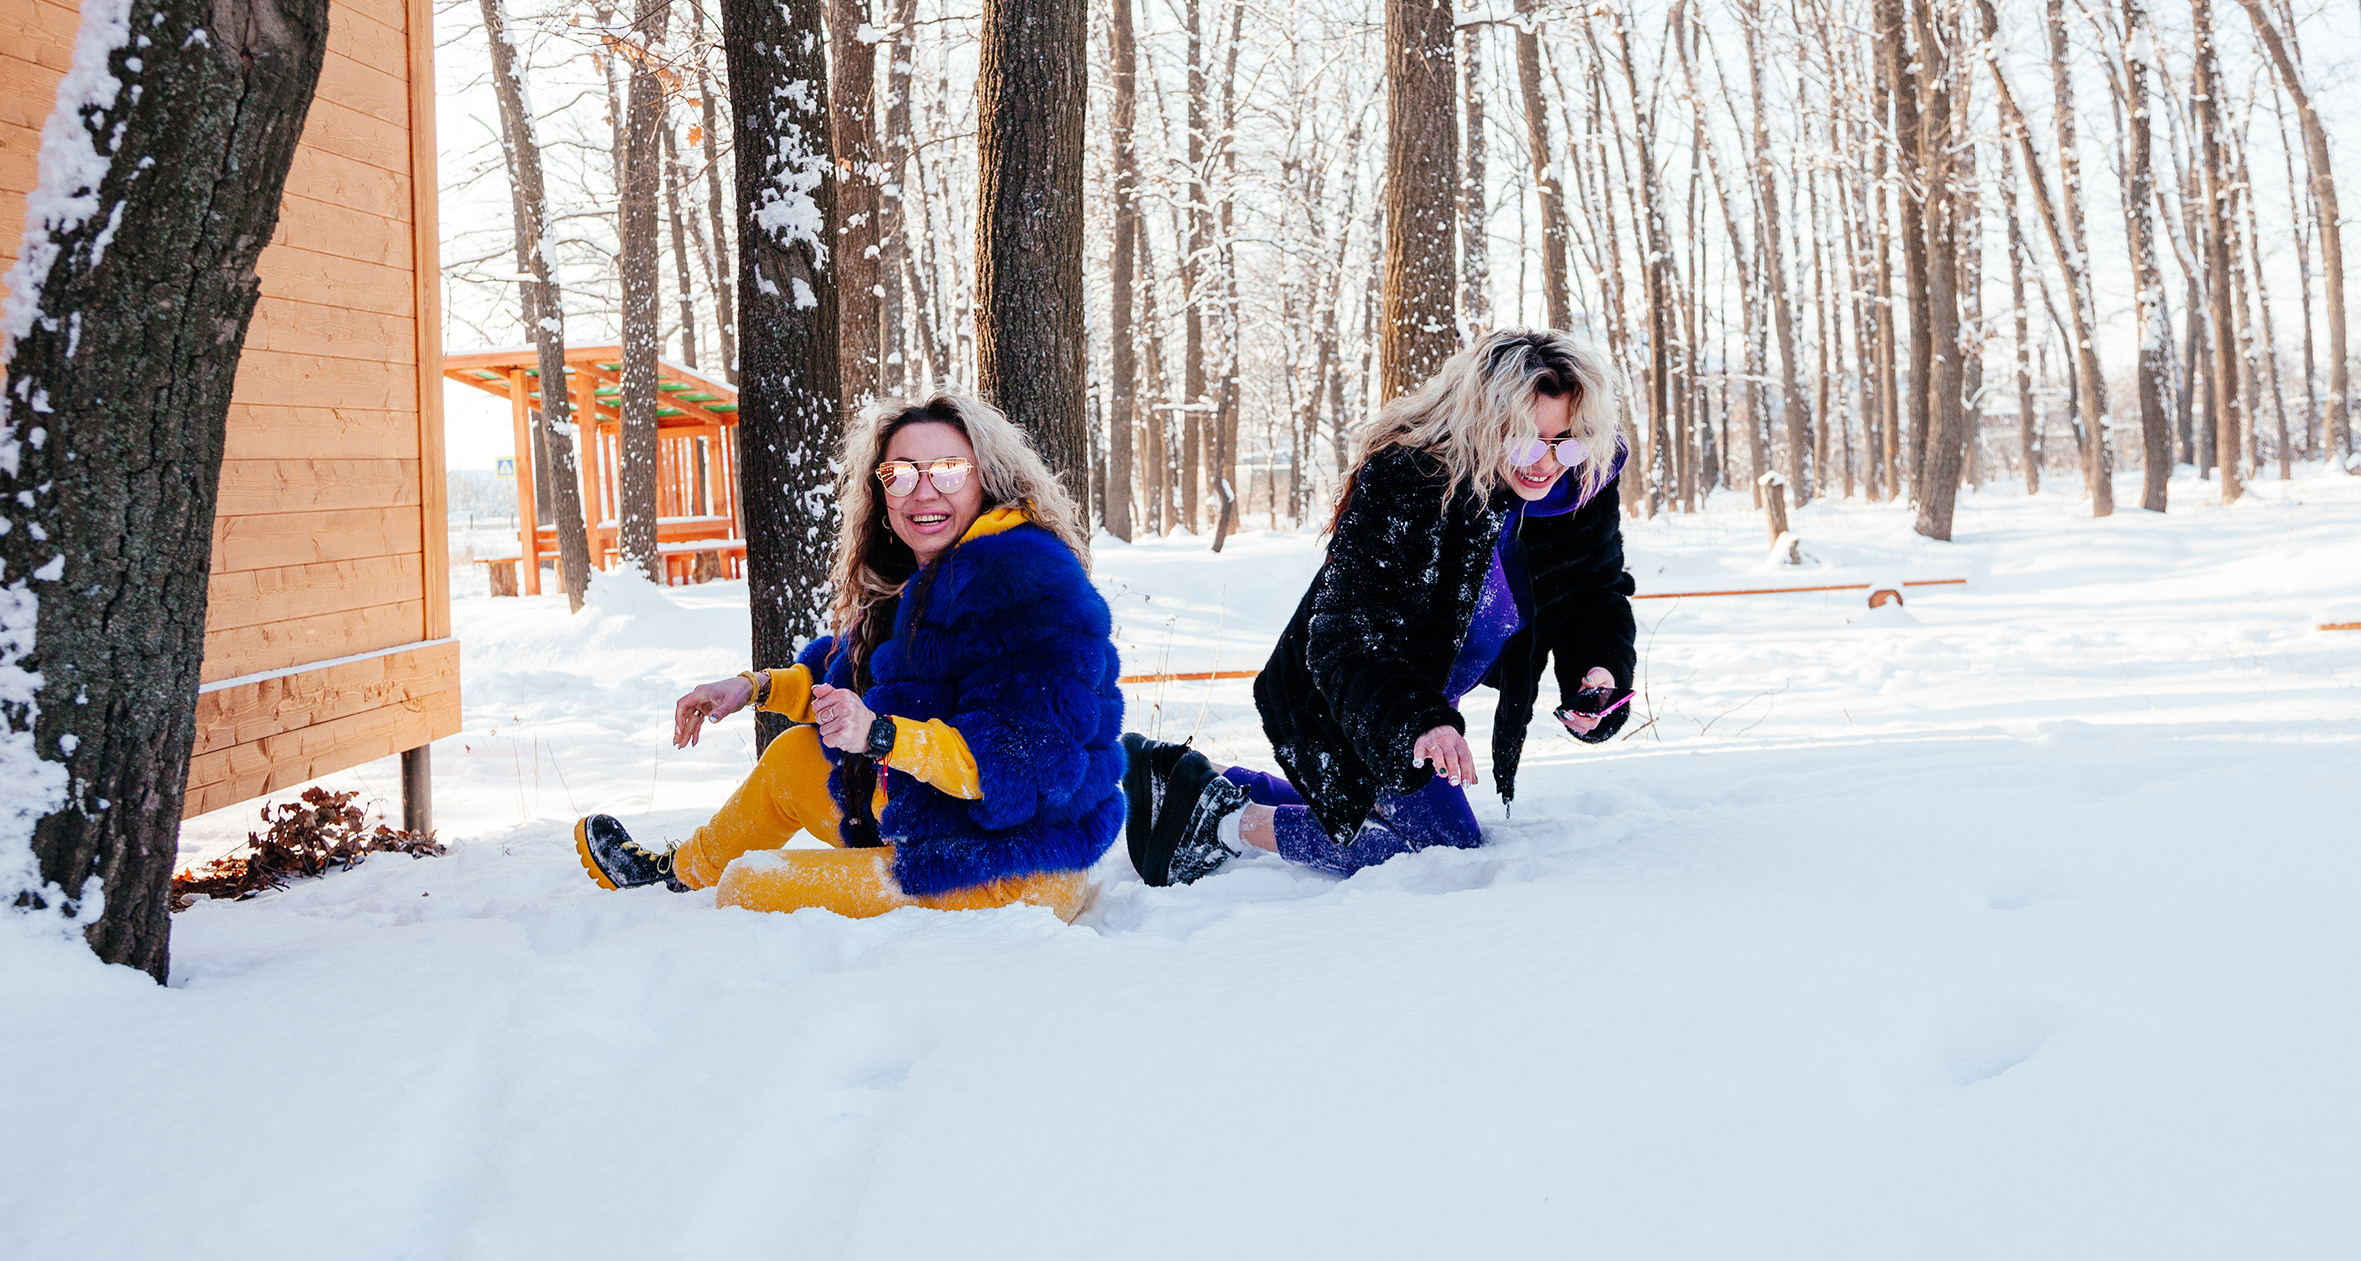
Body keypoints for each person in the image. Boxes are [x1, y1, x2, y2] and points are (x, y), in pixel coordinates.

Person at [575, 394, 1125, 922]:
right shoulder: (921, 576)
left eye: (949, 470)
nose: (924, 492)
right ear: (881, 492)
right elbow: (854, 675)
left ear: (987, 479)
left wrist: (880, 736)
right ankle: (677, 877)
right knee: (793, 758)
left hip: (1013, 865)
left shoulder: (1026, 582)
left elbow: (1025, 760)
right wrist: (756, 688)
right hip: (940, 819)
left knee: (748, 887)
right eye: (902, 474)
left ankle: (719, 889)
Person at [1125, 329, 1636, 885]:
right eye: (1527, 442)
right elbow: (1345, 635)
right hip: (1357, 691)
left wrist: (1600, 671)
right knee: (1444, 853)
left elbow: (1594, 590)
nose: (1546, 463)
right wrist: (1418, 723)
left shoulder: (1578, 482)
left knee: (1391, 819)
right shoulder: (1410, 480)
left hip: (1425, 698)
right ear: (1486, 427)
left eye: (1565, 441)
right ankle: (1226, 821)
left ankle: (1192, 781)